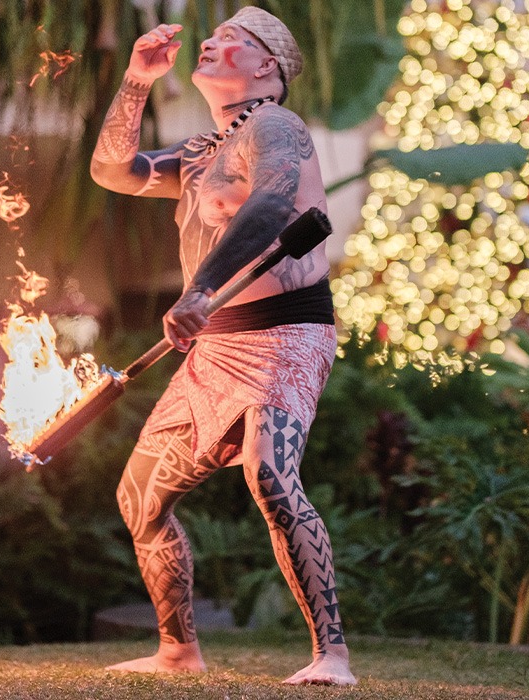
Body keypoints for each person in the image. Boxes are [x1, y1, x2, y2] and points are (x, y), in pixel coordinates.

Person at [89, 6, 356, 686]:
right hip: (216, 344)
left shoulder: (276, 126)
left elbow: (270, 206)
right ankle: (177, 651)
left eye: (229, 39)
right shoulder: (206, 150)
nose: (208, 41)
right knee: (141, 497)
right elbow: (112, 170)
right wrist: (136, 81)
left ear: (266, 65)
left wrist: (201, 290)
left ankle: (331, 656)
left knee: (269, 475)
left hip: (285, 332)